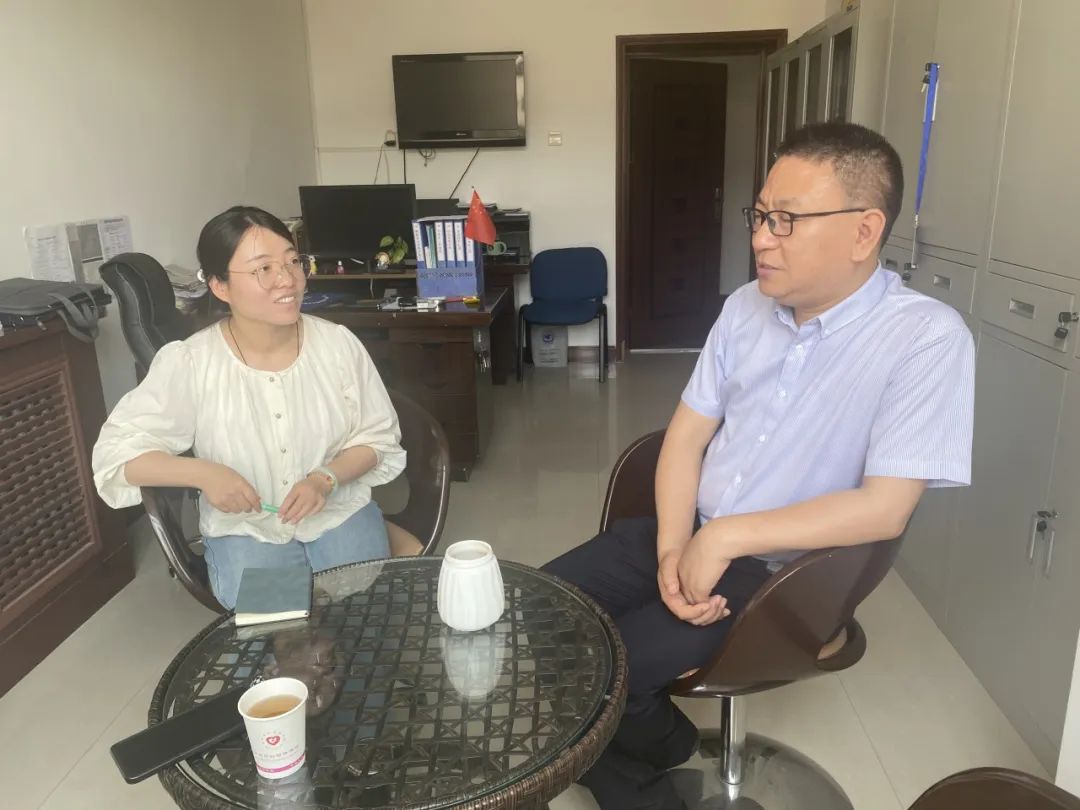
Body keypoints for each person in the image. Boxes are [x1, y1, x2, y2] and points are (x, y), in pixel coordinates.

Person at [543, 122, 975, 810]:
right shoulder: (745, 309)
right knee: (534, 619)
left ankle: (649, 785)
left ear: (864, 232)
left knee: (604, 675)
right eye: (761, 215)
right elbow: (684, 438)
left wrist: (724, 538)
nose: (761, 239)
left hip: (785, 575)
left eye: (786, 221)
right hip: (688, 531)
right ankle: (668, 748)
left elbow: (886, 507)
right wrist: (674, 546)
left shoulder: (924, 338)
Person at [93, 206, 405, 609]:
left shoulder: (338, 345)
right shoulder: (191, 362)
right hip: (246, 529)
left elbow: (377, 438)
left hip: (336, 511)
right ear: (220, 286)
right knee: (277, 619)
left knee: (362, 604)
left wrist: (325, 479)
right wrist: (204, 473)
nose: (287, 279)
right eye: (263, 269)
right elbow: (117, 457)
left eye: (292, 261)